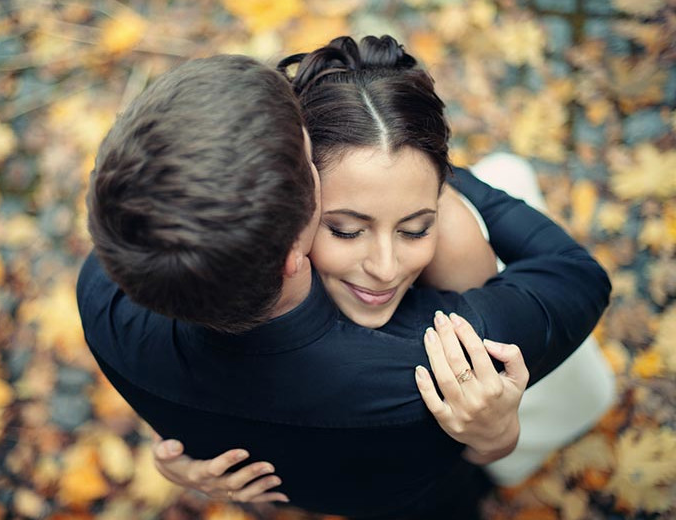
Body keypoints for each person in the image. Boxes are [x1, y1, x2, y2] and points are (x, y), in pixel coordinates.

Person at [77, 45, 610, 519]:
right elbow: (578, 277)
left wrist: (178, 452)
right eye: (344, 226)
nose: (383, 266)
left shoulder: (100, 298)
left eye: (414, 226)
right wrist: (436, 169)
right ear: (293, 249)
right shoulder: (422, 366)